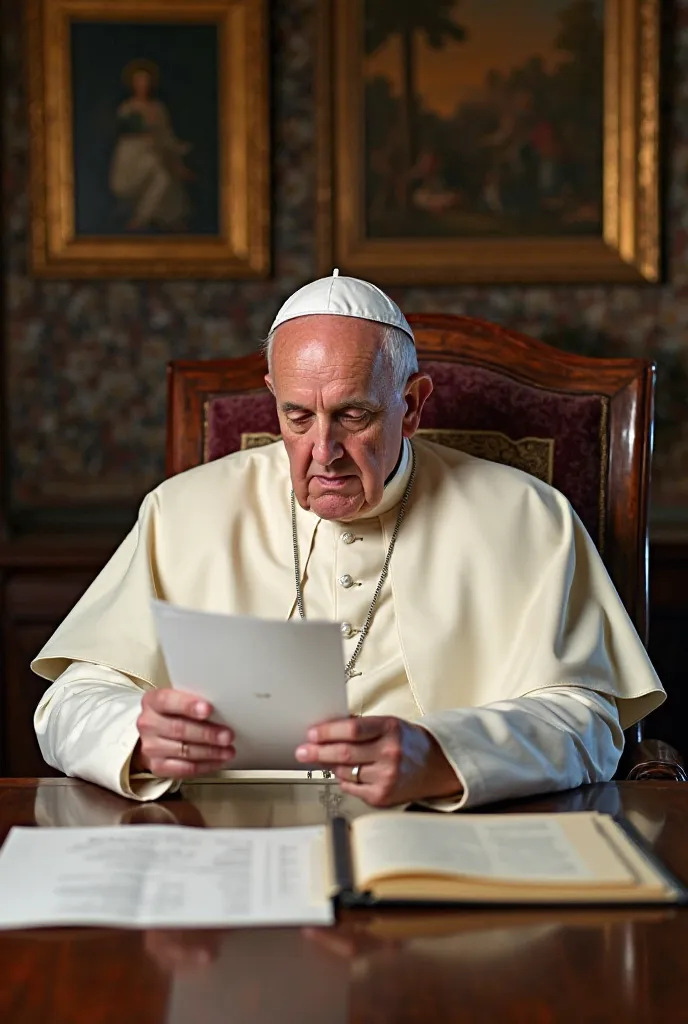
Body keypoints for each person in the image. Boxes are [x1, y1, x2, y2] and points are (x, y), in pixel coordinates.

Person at [31, 272, 665, 808]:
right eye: (297, 417)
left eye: (354, 416)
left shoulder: (528, 515)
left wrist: (444, 754)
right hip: (226, 844)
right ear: (272, 400)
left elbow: (590, 722)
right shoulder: (181, 511)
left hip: (441, 837)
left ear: (412, 407)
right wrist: (136, 735)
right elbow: (68, 703)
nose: (323, 453)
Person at [110, 59, 192, 232]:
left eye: (146, 81)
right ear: (133, 84)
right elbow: (125, 132)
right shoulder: (127, 108)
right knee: (159, 174)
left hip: (156, 152)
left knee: (165, 177)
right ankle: (140, 218)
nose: (143, 85)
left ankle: (145, 218)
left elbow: (166, 135)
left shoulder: (158, 108)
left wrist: (177, 159)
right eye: (139, 81)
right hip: (132, 156)